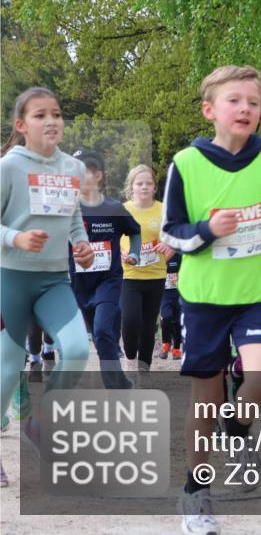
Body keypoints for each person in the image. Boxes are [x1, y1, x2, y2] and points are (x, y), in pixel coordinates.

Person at [160, 65, 261, 535]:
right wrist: (207, 231)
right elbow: (171, 231)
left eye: (253, 101)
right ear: (210, 110)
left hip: (257, 292)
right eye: (234, 100)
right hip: (205, 297)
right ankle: (196, 491)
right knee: (204, 398)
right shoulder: (185, 163)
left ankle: (239, 426)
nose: (245, 108)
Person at [0, 87, 94, 488]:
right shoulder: (8, 167)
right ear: (21, 126)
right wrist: (15, 239)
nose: (51, 120)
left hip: (55, 277)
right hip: (11, 277)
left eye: (56, 113)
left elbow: (72, 217)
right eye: (40, 115)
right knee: (6, 369)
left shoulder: (73, 168)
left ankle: (41, 425)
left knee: (75, 349)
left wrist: (81, 243)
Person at [68, 149, 142, 389]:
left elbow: (135, 231)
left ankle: (114, 388)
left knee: (101, 331)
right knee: (100, 338)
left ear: (99, 175)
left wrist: (134, 253)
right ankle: (119, 379)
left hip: (108, 282)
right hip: (78, 285)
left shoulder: (114, 208)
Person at [121, 164, 174, 372]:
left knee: (148, 326)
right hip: (129, 276)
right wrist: (121, 255)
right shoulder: (123, 210)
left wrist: (168, 247)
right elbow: (113, 239)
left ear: (154, 187)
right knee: (131, 320)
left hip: (156, 275)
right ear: (131, 187)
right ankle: (130, 360)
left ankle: (144, 370)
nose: (144, 187)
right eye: (139, 183)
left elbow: (173, 241)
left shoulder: (164, 210)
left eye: (148, 183)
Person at [159, 252, 183, 360]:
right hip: (164, 294)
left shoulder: (179, 254)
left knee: (178, 322)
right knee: (166, 317)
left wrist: (180, 277)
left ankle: (176, 349)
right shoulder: (159, 254)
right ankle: (166, 344)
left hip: (178, 292)